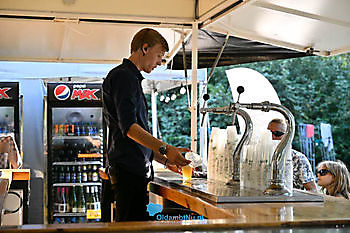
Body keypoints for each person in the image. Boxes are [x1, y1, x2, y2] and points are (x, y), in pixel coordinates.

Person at [102, 28, 190, 222]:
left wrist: (164, 159)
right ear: (144, 48)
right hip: (128, 173)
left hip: (131, 171)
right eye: (158, 55)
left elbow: (134, 134)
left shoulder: (130, 78)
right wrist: (166, 149)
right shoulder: (124, 77)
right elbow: (130, 129)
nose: (160, 62)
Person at [267, 118, 317, 192]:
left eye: (277, 134)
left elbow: (312, 190)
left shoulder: (298, 159)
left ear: (288, 136)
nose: (273, 137)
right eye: (269, 134)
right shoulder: (261, 157)